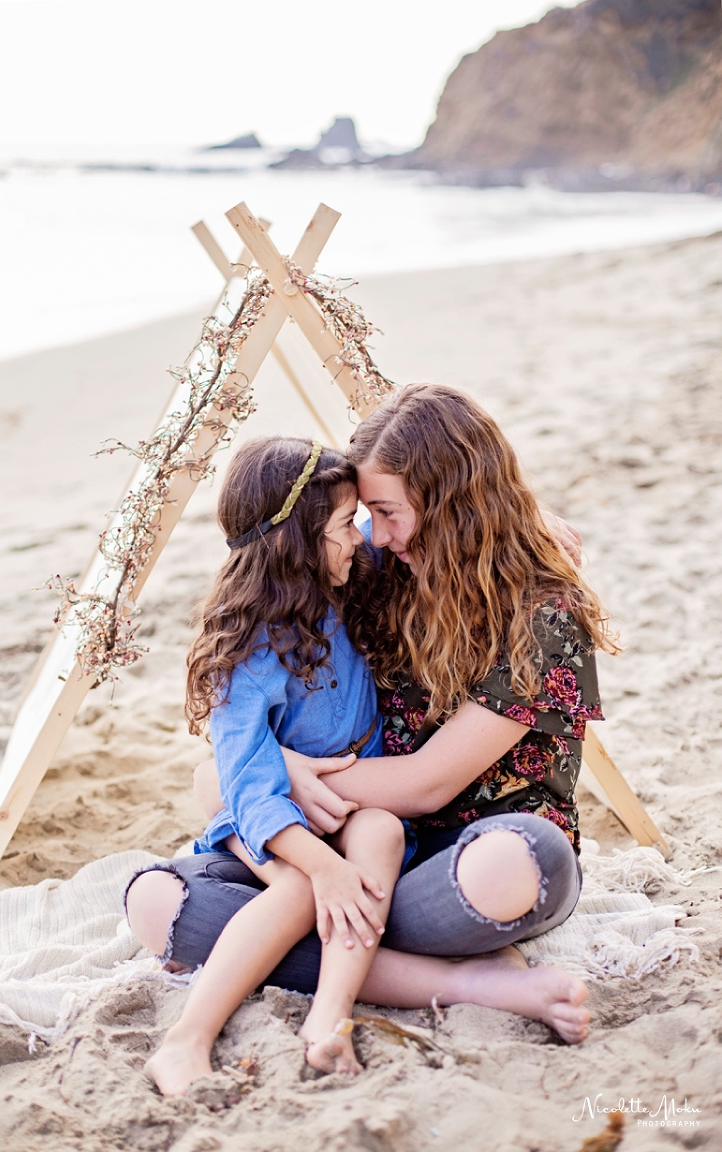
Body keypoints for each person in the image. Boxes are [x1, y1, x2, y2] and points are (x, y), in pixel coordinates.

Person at [129, 384, 615, 1073]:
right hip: (361, 849)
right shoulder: (380, 568)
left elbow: (426, 784)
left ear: (453, 504)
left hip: (459, 862)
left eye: (385, 513)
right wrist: (269, 771)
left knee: (516, 868)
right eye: (366, 516)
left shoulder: (545, 616)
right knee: (158, 903)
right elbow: (276, 558)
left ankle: (359, 955)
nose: (372, 534)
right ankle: (462, 979)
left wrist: (275, 772)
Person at [128, 436, 412, 1094]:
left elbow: (429, 531)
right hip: (268, 818)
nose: (360, 536)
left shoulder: (346, 577)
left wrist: (542, 526)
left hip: (344, 809)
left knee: (385, 833)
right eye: (345, 525)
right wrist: (324, 867)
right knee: (296, 887)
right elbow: (250, 788)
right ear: (299, 543)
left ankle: (326, 1022)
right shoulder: (243, 650)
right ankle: (183, 1042)